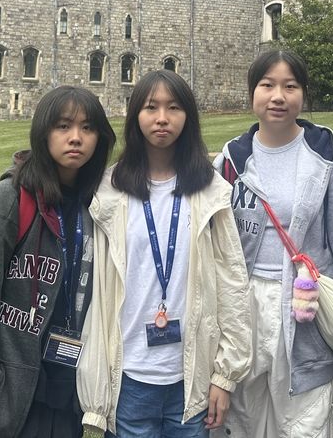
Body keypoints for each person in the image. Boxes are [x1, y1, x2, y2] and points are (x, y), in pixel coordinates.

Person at [213, 50, 333, 438]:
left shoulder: (327, 159)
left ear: (303, 94)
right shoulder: (229, 161)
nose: (278, 96)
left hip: (303, 316)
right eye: (267, 85)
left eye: (290, 86)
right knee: (238, 426)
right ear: (252, 93)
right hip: (242, 316)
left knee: (304, 427)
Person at [77, 69, 251, 437]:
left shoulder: (210, 191)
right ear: (135, 115)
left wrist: (225, 375)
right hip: (128, 376)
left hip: (191, 378)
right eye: (150, 107)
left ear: (188, 116)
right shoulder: (109, 191)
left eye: (173, 107)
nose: (161, 118)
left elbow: (232, 283)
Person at [0, 86, 116, 438]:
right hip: (11, 397)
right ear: (43, 133)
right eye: (63, 126)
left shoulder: (99, 206)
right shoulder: (10, 200)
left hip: (69, 392)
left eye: (87, 127)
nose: (76, 137)